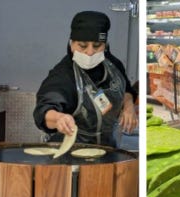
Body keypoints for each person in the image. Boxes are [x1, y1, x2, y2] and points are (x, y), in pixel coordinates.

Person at [33, 11, 138, 147]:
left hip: (109, 149)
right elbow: (43, 110)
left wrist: (128, 106)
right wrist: (59, 118)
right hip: (72, 154)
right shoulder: (63, 75)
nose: (89, 52)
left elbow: (126, 89)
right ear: (72, 44)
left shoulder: (113, 65)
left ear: (105, 45)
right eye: (82, 46)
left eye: (97, 46)